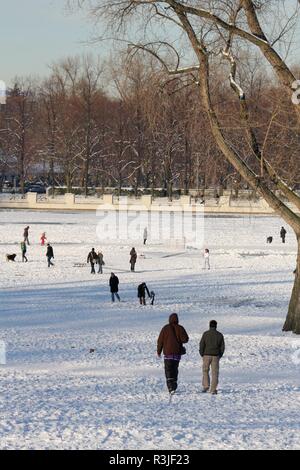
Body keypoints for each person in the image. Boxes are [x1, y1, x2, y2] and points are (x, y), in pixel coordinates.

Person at [157, 313, 189, 395]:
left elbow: (160, 341)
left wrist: (159, 351)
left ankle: (170, 386)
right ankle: (174, 385)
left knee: (168, 370)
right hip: (177, 354)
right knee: (175, 369)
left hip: (168, 354)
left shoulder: (165, 328)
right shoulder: (180, 328)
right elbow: (185, 339)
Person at [199, 320, 225, 395]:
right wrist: (220, 355)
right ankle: (213, 389)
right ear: (216, 326)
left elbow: (202, 344)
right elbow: (222, 347)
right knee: (215, 373)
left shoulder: (205, 334)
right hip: (216, 356)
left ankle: (206, 386)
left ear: (209, 325)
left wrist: (202, 354)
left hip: (206, 355)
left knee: (205, 371)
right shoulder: (219, 335)